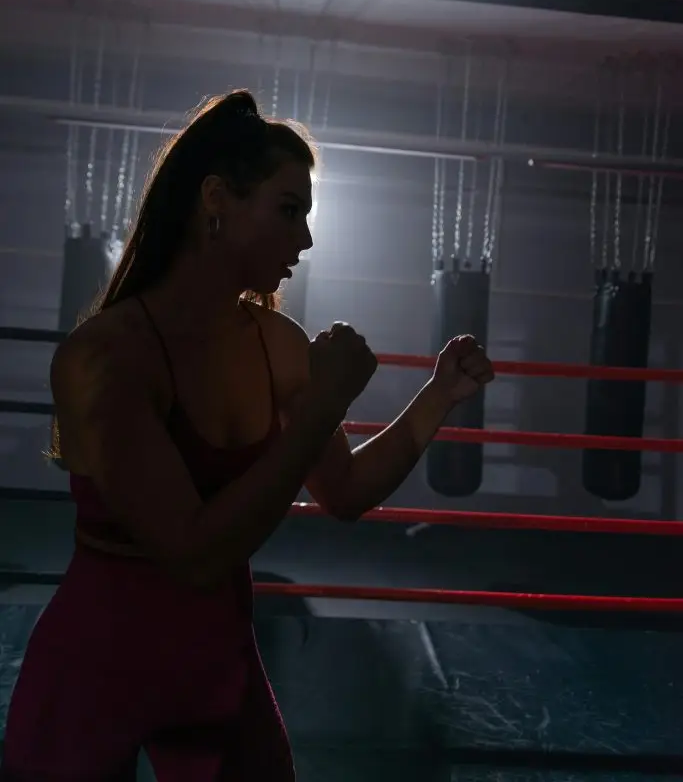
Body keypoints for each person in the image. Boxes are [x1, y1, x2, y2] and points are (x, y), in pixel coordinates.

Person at [1, 89, 494, 781]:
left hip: (215, 657)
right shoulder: (107, 356)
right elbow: (194, 552)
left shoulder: (277, 345)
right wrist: (322, 406)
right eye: (288, 210)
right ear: (216, 201)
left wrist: (438, 396)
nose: (306, 239)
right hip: (98, 659)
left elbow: (345, 491)